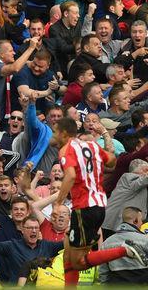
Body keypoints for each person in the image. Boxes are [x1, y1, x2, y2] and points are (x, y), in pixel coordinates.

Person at [52, 114, 148, 286]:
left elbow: (71, 175)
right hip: (99, 205)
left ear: (64, 133)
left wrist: (58, 203)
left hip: (84, 207)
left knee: (78, 262)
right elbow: (112, 161)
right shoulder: (92, 146)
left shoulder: (66, 150)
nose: (53, 137)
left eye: (55, 132)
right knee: (68, 252)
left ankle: (124, 250)